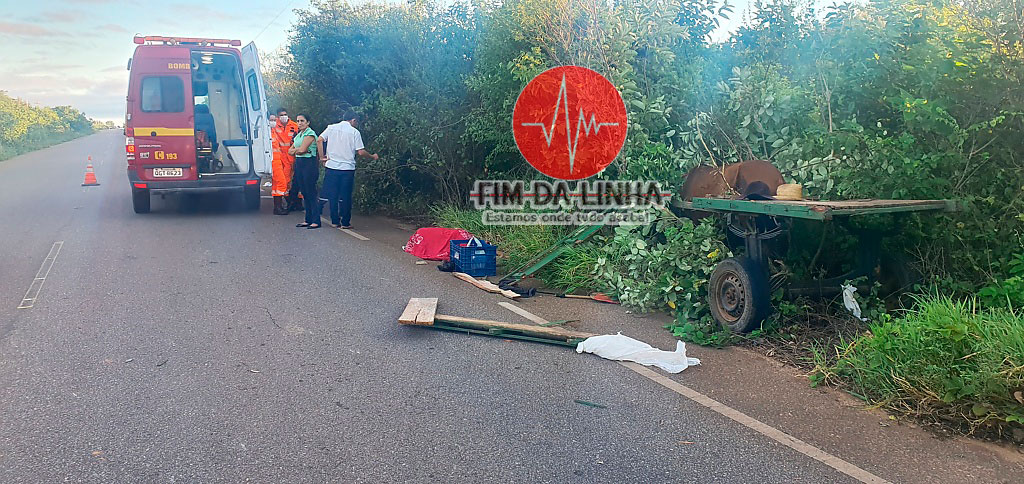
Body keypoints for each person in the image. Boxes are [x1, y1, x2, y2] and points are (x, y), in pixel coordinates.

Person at [318, 110, 379, 229]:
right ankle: (345, 222)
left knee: (333, 195)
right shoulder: (354, 132)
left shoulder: (331, 128)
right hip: (347, 169)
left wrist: (322, 157)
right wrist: (372, 156)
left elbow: (319, 140)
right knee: (345, 196)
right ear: (353, 120)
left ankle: (335, 220)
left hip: (332, 167)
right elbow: (361, 152)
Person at [288, 114, 321, 229]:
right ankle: (308, 219)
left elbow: (302, 150)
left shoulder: (310, 134)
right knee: (304, 192)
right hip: (299, 163)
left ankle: (316, 220)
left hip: (309, 164)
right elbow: (289, 151)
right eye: (298, 121)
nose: (300, 123)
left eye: (302, 121)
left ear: (308, 122)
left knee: (311, 192)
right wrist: (298, 150)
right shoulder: (299, 135)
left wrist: (297, 150)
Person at [270, 108, 298, 215]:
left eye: (285, 114)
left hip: (289, 158)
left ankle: (285, 204)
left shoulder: (293, 125)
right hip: (278, 159)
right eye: (281, 115)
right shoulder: (271, 130)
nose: (283, 116)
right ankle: (281, 205)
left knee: (284, 182)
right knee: (282, 182)